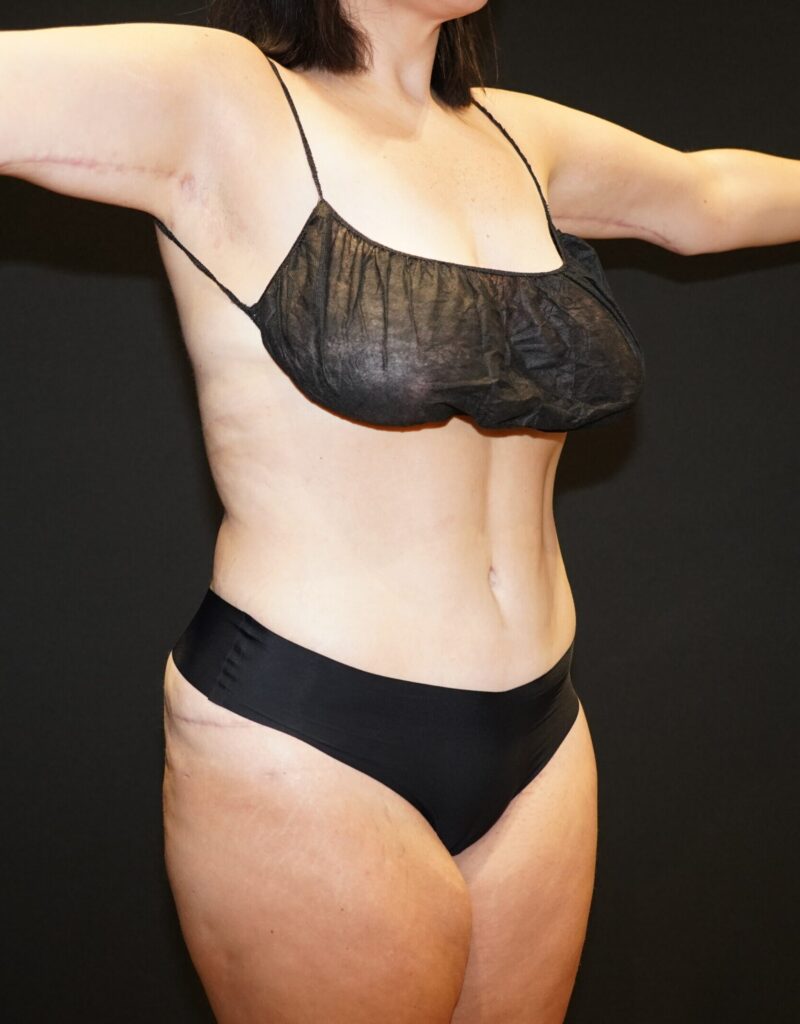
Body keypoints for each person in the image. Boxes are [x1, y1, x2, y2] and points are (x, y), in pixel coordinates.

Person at [2, 4, 797, 1022]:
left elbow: (704, 196)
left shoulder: (515, 135)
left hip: (540, 736)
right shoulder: (221, 101)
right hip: (308, 737)